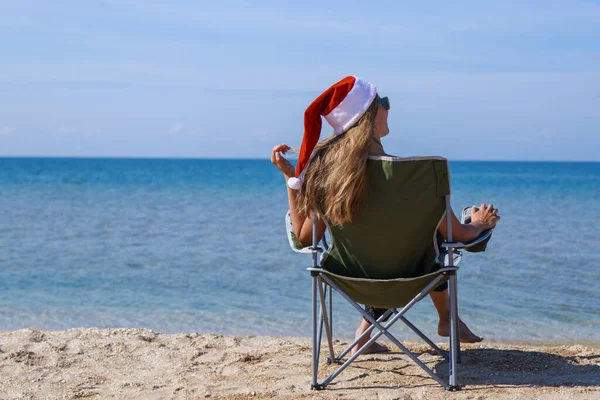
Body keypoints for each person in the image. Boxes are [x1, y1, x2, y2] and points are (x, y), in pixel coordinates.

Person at [271, 76, 500, 356]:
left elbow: (305, 238)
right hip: (412, 278)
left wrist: (290, 180)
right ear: (368, 116)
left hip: (350, 281)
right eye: (384, 102)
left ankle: (365, 334)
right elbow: (459, 235)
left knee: (382, 250)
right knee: (429, 243)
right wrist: (479, 222)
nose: (389, 107)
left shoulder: (326, 176)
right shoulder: (413, 178)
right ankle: (447, 319)